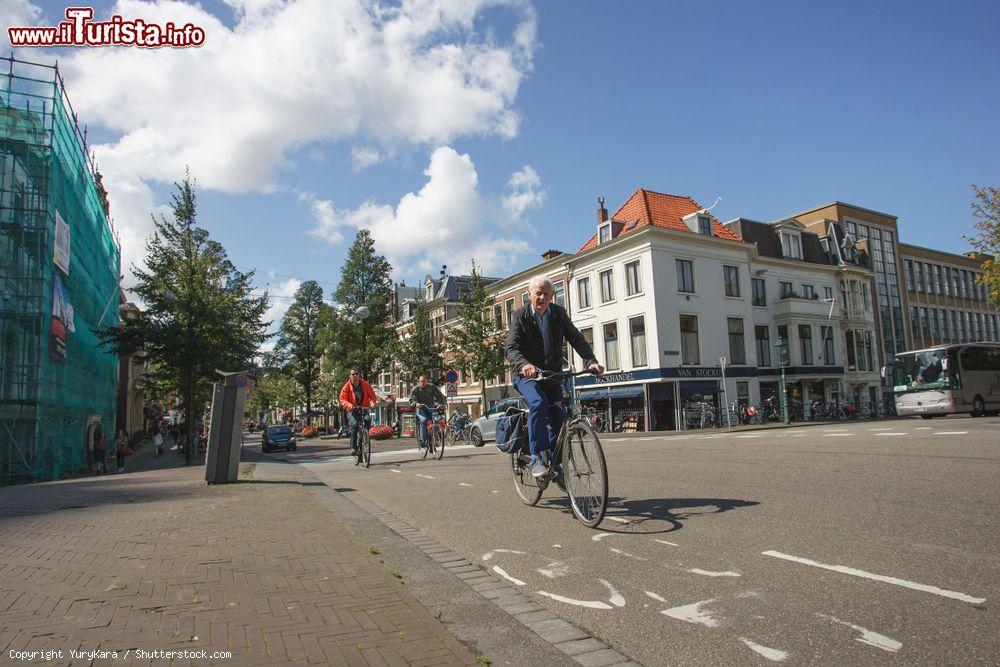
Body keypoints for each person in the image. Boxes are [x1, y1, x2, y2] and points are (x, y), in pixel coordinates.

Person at [506, 276, 604, 478]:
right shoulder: (520, 316)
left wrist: (590, 361)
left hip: (552, 375)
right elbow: (511, 348)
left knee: (559, 415)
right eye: (538, 293)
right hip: (527, 375)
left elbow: (576, 338)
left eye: (546, 293)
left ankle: (556, 463)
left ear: (552, 295)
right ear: (529, 293)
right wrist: (524, 365)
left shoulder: (558, 314)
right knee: (538, 403)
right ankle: (536, 458)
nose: (541, 297)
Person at [338, 369, 378, 464]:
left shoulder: (364, 384)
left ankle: (365, 436)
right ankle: (353, 447)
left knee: (367, 420)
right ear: (350, 376)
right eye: (353, 374)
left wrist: (372, 403)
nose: (355, 375)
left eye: (357, 374)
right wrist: (349, 405)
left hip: (364, 408)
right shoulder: (347, 386)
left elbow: (372, 395)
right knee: (355, 425)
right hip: (352, 410)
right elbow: (342, 399)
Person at [409, 374, 446, 449]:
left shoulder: (431, 387)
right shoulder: (416, 389)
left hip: (430, 408)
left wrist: (441, 404)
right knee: (424, 420)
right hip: (421, 409)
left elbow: (439, 396)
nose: (422, 383)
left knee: (436, 420)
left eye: (423, 381)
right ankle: (423, 441)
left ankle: (435, 438)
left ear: (427, 381)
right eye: (420, 381)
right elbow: (411, 400)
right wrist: (416, 403)